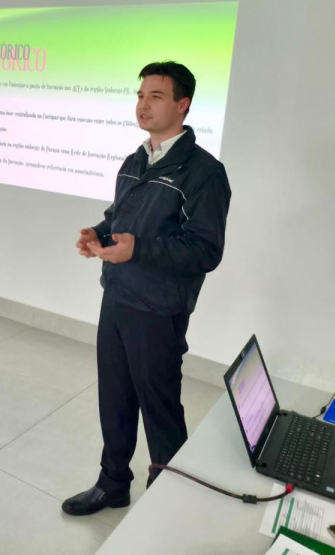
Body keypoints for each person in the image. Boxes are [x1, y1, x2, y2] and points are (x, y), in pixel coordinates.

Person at [62, 61, 231, 516]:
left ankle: (168, 501)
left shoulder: (204, 172)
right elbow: (119, 218)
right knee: (114, 398)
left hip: (158, 309)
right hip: (117, 296)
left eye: (156, 96)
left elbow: (204, 250)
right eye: (140, 95)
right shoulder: (136, 160)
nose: (143, 104)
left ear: (182, 104)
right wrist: (99, 234)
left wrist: (138, 249)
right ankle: (113, 483)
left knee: (159, 407)